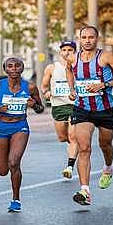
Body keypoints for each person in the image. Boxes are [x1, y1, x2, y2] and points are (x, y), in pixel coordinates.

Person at [64, 26, 113, 206]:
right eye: (84, 37)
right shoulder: (72, 58)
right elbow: (69, 70)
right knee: (84, 147)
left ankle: (108, 168)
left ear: (97, 39)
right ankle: (84, 191)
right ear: (79, 39)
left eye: (91, 37)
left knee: (105, 144)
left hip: (106, 109)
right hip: (82, 108)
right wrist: (72, 90)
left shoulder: (106, 57)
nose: (87, 40)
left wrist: (104, 84)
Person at [0, 56, 44, 212]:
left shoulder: (30, 87)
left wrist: (34, 104)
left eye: (17, 66)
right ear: (5, 69)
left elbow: (41, 108)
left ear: (22, 68)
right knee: (3, 170)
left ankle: (16, 199)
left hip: (20, 127)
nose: (14, 68)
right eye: (10, 66)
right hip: (0, 128)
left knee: (14, 162)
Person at [41, 41, 79, 179]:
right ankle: (74, 148)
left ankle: (69, 166)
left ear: (74, 52)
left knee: (73, 137)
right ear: (60, 52)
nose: (67, 52)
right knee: (63, 138)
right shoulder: (51, 68)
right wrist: (46, 93)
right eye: (64, 49)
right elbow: (44, 86)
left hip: (75, 105)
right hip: (58, 106)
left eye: (70, 49)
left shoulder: (78, 66)